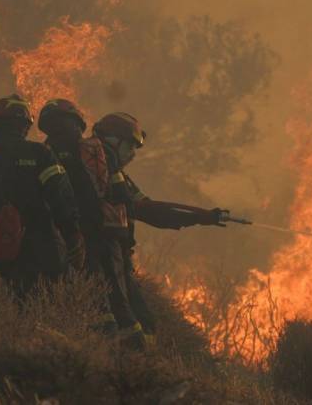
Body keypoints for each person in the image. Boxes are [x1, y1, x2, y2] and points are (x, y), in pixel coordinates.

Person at [91, 112, 229, 347]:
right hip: (105, 260)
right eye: (130, 147)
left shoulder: (114, 176)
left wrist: (200, 216)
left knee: (138, 326)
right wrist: (200, 217)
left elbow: (149, 208)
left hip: (112, 260)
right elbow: (151, 212)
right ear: (114, 141)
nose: (132, 155)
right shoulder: (104, 175)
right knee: (134, 329)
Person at [0, 95, 85, 297]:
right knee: (50, 306)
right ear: (25, 125)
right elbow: (61, 198)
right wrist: (73, 236)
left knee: (18, 305)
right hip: (46, 251)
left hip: (5, 250)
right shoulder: (40, 154)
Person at [38, 99, 122, 334]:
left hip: (66, 231)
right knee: (95, 283)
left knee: (76, 282)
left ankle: (96, 332)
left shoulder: (44, 154)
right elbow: (115, 193)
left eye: (60, 124)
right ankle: (100, 334)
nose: (59, 130)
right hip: (91, 229)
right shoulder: (94, 152)